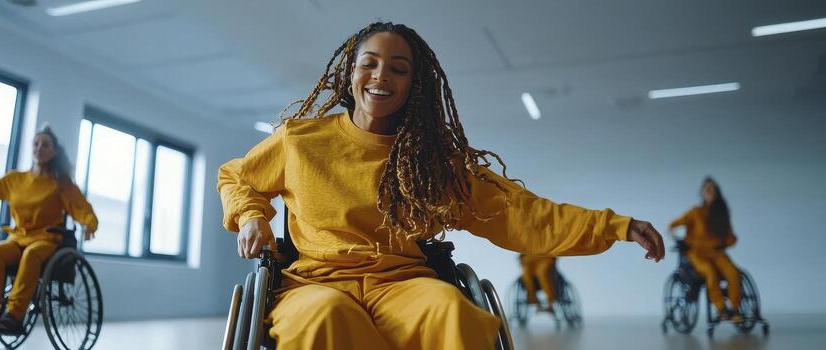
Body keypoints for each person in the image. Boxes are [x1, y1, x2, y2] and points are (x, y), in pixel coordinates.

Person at [218, 22, 664, 349]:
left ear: (414, 85)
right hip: (316, 282)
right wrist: (251, 216)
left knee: (453, 313)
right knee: (327, 319)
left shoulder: (430, 162)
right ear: (349, 73)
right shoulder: (300, 140)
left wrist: (615, 226)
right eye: (369, 64)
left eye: (398, 68)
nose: (380, 77)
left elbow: (519, 213)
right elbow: (238, 176)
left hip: (402, 282)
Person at [0, 125, 98, 333]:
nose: (39, 148)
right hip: (17, 238)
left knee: (31, 254)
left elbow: (81, 208)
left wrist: (89, 224)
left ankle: (14, 316)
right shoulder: (14, 180)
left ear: (54, 151)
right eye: (36, 144)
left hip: (47, 240)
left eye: (45, 145)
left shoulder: (60, 183)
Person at [669, 177, 741, 322]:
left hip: (717, 252)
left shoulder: (721, 213)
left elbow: (730, 236)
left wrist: (728, 241)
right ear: (702, 192)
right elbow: (673, 224)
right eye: (708, 189)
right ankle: (721, 308)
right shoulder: (695, 212)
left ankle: (734, 309)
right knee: (710, 273)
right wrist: (677, 239)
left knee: (733, 273)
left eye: (714, 189)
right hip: (697, 253)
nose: (711, 192)